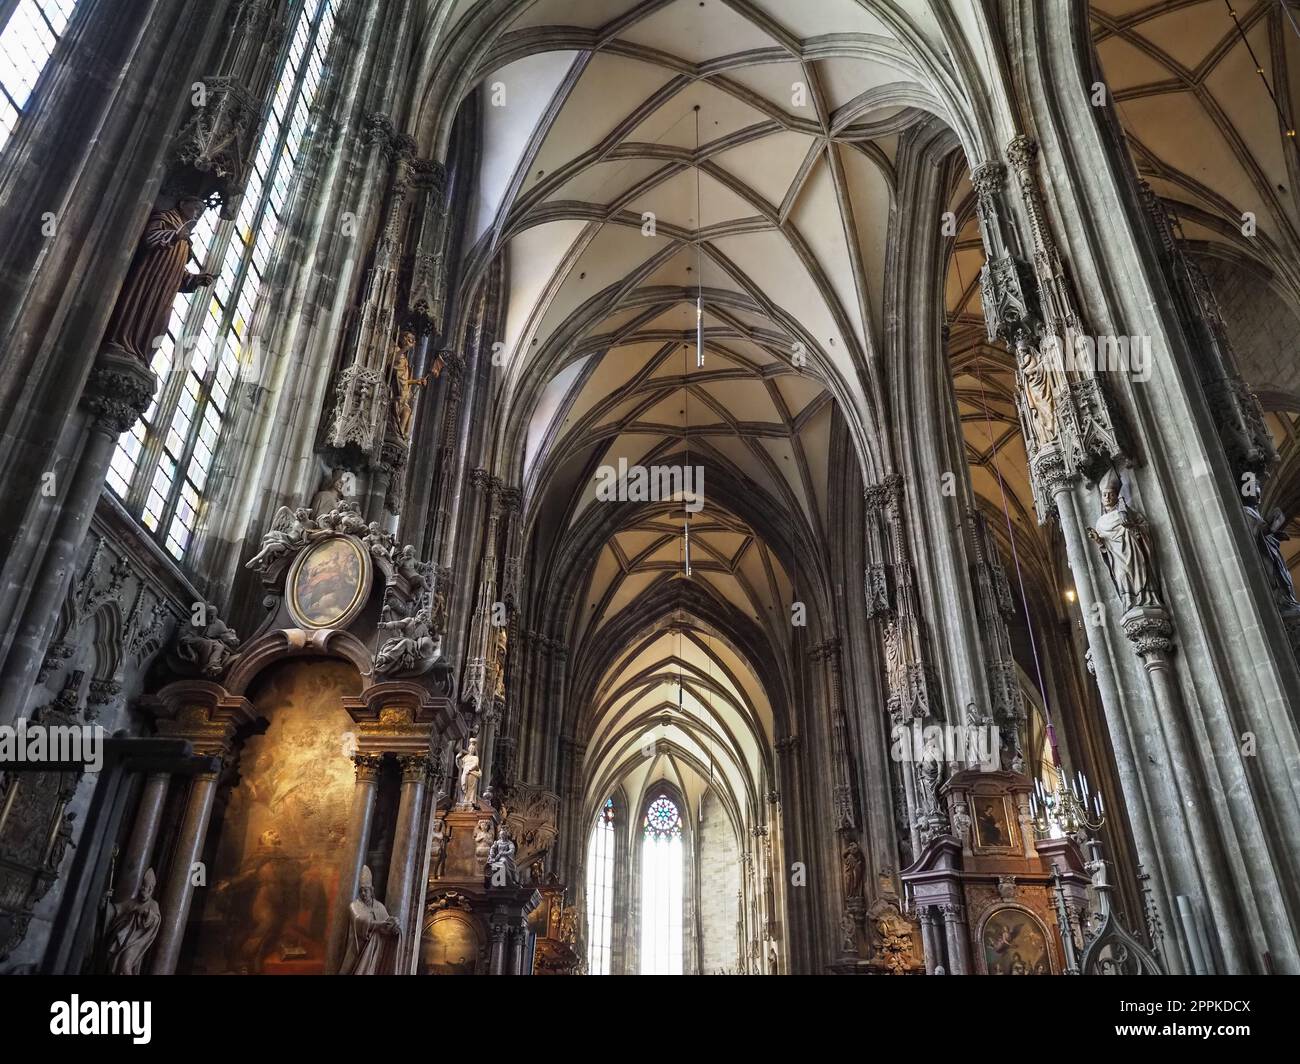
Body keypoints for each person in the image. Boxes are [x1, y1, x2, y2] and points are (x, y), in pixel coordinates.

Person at [103, 196, 215, 361]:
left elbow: (176, 270)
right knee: (137, 309)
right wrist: (175, 236)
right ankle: (121, 342)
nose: (197, 214)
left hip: (165, 290)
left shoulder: (185, 237)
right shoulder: (165, 219)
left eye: (201, 212)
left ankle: (139, 353)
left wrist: (193, 279)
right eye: (196, 208)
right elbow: (150, 238)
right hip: (148, 279)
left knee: (157, 322)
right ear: (182, 203)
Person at [340, 866, 400, 975]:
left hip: (377, 953)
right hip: (359, 953)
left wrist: (394, 926)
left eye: (366, 890)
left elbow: (388, 927)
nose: (363, 893)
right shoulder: (354, 906)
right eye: (361, 890)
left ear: (371, 890)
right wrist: (380, 924)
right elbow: (359, 920)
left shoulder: (379, 907)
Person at [102, 868, 161, 975]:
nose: (142, 889)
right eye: (142, 886)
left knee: (126, 964)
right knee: (117, 963)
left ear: (150, 890)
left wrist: (146, 913)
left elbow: (155, 920)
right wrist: (106, 900)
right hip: (124, 939)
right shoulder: (134, 901)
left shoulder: (153, 905)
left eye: (145, 887)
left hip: (137, 941)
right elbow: (117, 909)